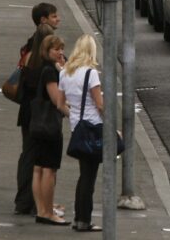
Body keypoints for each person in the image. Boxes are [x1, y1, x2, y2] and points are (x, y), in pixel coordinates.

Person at [15, 3, 61, 215]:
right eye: (54, 16)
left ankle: (27, 201)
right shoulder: (47, 65)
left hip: (27, 112)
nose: (58, 19)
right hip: (43, 115)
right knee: (43, 163)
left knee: (29, 157)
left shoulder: (27, 51)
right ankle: (37, 204)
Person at [58, 34, 104, 233]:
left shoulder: (64, 73)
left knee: (84, 174)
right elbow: (100, 104)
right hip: (93, 127)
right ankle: (83, 219)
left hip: (77, 128)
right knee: (89, 176)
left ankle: (80, 218)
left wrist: (75, 117)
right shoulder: (90, 74)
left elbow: (60, 104)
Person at [31, 34, 70, 226]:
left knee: (38, 168)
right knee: (49, 170)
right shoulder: (50, 72)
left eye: (62, 48)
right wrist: (74, 115)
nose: (60, 52)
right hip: (50, 127)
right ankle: (47, 212)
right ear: (47, 51)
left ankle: (41, 210)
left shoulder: (44, 68)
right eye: (56, 49)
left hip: (37, 125)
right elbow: (57, 101)